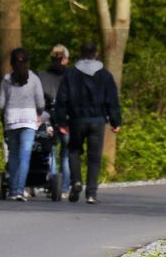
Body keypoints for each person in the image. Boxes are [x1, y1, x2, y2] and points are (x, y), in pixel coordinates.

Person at [52, 42, 122, 204]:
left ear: (81, 54)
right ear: (96, 54)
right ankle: (91, 193)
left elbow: (62, 99)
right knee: (94, 157)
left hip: (76, 120)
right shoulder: (105, 75)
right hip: (97, 121)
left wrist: (61, 121)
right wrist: (115, 121)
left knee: (74, 151)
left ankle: (76, 181)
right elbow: (111, 100)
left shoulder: (70, 74)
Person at [0, 48, 45, 201]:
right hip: (29, 120)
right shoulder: (34, 79)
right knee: (25, 156)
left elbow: (0, 104)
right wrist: (38, 111)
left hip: (12, 120)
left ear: (11, 63)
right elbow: (41, 102)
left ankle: (12, 190)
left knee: (13, 155)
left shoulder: (6, 80)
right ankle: (19, 190)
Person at [37, 45, 71, 195]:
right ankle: (63, 187)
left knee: (50, 151)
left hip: (46, 117)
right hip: (67, 118)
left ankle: (52, 182)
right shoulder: (71, 76)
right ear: (65, 59)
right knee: (66, 153)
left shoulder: (41, 76)